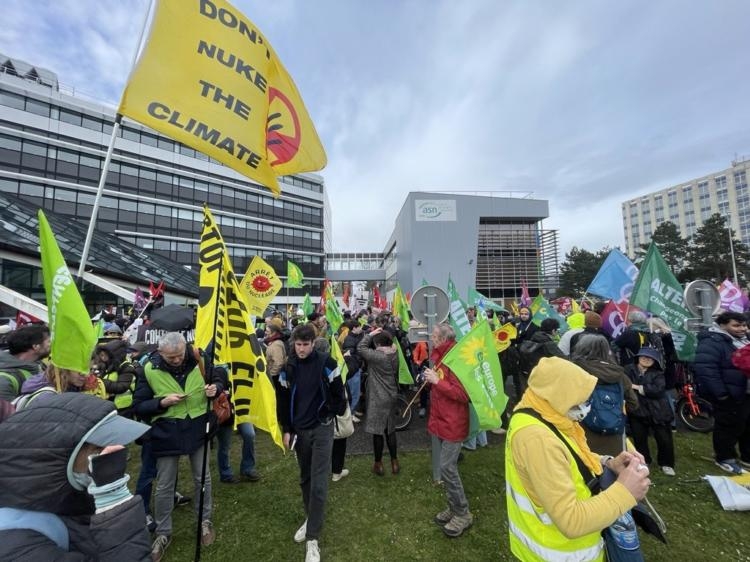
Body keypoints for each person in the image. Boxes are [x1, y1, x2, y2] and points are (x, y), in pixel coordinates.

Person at [506, 357, 651, 561]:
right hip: (559, 552)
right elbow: (571, 521)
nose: (587, 406)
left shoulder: (546, 413)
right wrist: (625, 492)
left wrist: (607, 462)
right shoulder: (538, 439)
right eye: (581, 400)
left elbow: (568, 455)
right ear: (559, 395)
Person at [0, 393, 151, 560]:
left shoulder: (71, 500)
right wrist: (116, 513)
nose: (115, 450)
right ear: (59, 460)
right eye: (98, 448)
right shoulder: (16, 544)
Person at [132, 332, 223, 561]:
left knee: (203, 478)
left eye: (179, 355)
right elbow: (139, 406)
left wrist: (216, 389)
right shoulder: (148, 369)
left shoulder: (199, 358)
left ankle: (205, 520)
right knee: (164, 485)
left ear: (185, 348)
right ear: (160, 353)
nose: (176, 360)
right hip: (166, 432)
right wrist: (162, 402)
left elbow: (219, 378)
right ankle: (163, 533)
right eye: (171, 357)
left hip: (197, 426)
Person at [277, 323, 347, 562]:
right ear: (293, 343)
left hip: (322, 429)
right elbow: (283, 400)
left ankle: (312, 539)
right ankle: (311, 518)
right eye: (298, 345)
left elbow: (340, 396)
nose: (301, 349)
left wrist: (328, 411)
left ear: (313, 343)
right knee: (305, 479)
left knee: (318, 483)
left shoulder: (327, 363)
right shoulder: (289, 367)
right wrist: (286, 429)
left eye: (305, 345)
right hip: (300, 431)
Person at [422, 323, 473, 538]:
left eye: (434, 336)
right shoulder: (441, 357)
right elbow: (444, 384)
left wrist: (437, 381)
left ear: (444, 339)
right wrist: (431, 379)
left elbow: (463, 395)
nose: (431, 338)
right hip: (443, 419)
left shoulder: (456, 359)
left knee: (447, 468)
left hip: (454, 421)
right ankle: (453, 509)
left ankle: (463, 513)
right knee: (447, 468)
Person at [693, 311, 750, 474]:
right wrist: (721, 394)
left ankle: (746, 457)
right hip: (729, 394)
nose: (742, 329)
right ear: (723, 325)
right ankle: (725, 458)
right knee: (728, 427)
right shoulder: (713, 341)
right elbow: (706, 370)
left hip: (745, 393)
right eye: (736, 325)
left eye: (744, 325)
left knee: (746, 426)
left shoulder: (744, 340)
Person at [571, 334, 638, 457]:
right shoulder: (618, 374)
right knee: (612, 471)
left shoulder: (575, 370)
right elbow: (633, 404)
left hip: (581, 432)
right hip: (613, 435)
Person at [624, 348, 676, 476]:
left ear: (655, 361)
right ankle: (643, 461)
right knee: (639, 437)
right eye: (643, 357)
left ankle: (666, 464)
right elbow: (624, 384)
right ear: (638, 357)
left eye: (650, 358)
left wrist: (637, 387)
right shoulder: (628, 369)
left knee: (664, 439)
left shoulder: (658, 373)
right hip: (637, 410)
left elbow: (658, 390)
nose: (646, 359)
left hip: (658, 411)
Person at [357, 327, 401, 476]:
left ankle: (378, 464)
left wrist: (370, 334)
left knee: (377, 432)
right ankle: (395, 462)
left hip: (377, 397)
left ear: (378, 344)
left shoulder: (377, 357)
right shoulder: (395, 353)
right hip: (391, 395)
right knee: (390, 430)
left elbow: (360, 347)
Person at [0, 324, 50, 401]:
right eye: (48, 341)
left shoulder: (39, 365)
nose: (51, 345)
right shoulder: (4, 381)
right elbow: (8, 412)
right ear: (36, 346)